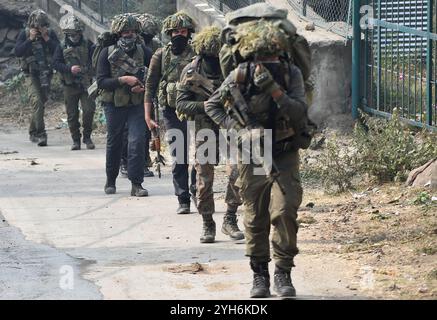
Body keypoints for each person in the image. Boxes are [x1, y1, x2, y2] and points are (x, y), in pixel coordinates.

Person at [205, 19, 312, 298]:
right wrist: (239, 132)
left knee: (285, 211)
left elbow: (300, 113)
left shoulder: (291, 74)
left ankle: (283, 272)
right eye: (261, 57)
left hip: (284, 151)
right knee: (255, 218)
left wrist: (275, 90)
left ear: (281, 53)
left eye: (272, 56)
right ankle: (260, 275)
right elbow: (212, 105)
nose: (267, 62)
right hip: (251, 154)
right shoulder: (241, 74)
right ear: (252, 55)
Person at [176, 26, 244, 243]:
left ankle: (230, 218)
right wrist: (204, 106)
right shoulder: (191, 71)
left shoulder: (234, 67)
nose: (216, 59)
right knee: (204, 178)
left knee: (239, 172)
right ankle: (207, 222)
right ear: (203, 52)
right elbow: (181, 103)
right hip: (205, 128)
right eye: (211, 55)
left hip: (232, 125)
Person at [144, 11, 197, 214]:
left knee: (202, 154)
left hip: (195, 109)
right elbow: (150, 86)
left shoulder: (196, 53)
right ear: (169, 33)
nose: (179, 35)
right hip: (172, 111)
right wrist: (148, 116)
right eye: (175, 31)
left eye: (183, 31)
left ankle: (196, 189)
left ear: (189, 32)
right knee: (179, 154)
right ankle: (183, 198)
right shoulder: (161, 55)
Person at [96, 14, 152, 197]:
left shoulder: (144, 51)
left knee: (137, 141)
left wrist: (141, 86)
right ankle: (110, 180)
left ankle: (137, 184)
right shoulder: (107, 52)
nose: (129, 35)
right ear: (118, 33)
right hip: (113, 104)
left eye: (132, 31)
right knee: (115, 141)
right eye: (125, 32)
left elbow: (153, 77)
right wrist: (123, 80)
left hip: (137, 104)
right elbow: (101, 82)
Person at [120, 13, 162, 178]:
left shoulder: (152, 45)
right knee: (125, 130)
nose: (147, 37)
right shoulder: (128, 44)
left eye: (150, 35)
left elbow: (156, 66)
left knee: (145, 128)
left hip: (145, 91)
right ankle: (124, 162)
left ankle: (143, 161)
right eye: (145, 34)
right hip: (125, 90)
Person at [14, 9, 60, 147]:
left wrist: (47, 39)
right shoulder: (25, 33)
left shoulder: (50, 34)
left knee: (41, 103)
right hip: (31, 74)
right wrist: (30, 39)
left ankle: (33, 131)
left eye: (42, 26)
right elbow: (18, 52)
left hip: (46, 74)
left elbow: (59, 51)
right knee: (37, 102)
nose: (39, 29)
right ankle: (41, 134)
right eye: (36, 26)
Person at [53, 15, 96, 151]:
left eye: (77, 33)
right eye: (71, 34)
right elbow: (55, 63)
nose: (74, 36)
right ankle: (76, 140)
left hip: (86, 84)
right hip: (69, 85)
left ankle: (87, 137)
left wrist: (88, 70)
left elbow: (94, 60)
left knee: (89, 110)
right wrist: (69, 69)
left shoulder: (88, 43)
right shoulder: (61, 46)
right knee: (72, 115)